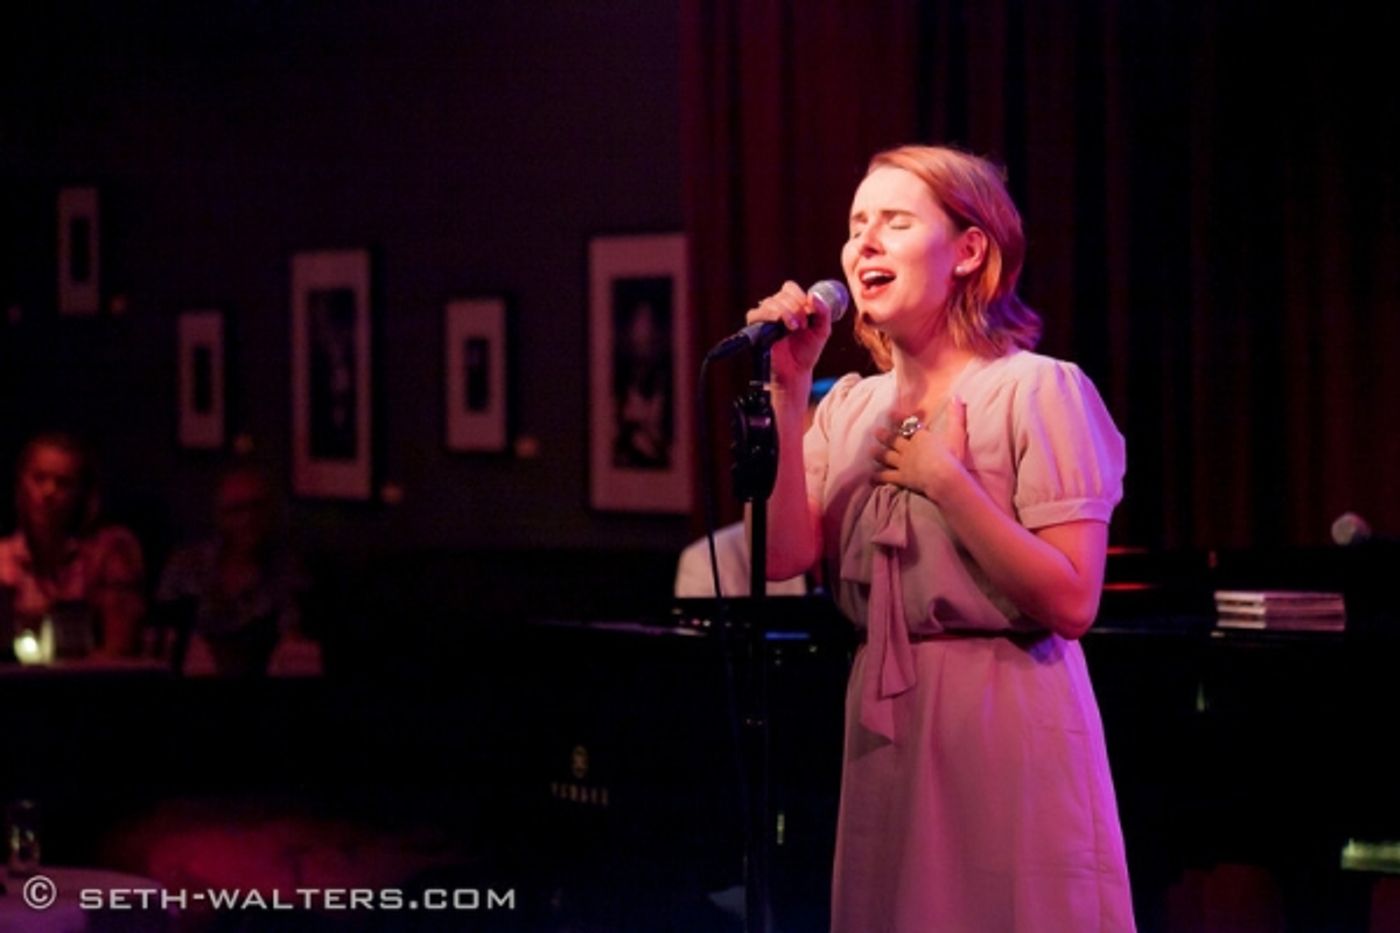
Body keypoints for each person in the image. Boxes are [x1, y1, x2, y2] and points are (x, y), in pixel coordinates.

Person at [746, 144, 1133, 931]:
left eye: (895, 221)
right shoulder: (850, 407)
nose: (865, 242)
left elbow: (1073, 599)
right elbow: (782, 555)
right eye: (857, 224)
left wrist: (948, 483)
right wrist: (790, 387)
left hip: (1002, 715)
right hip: (884, 721)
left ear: (968, 250)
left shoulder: (1036, 389)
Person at [673, 378, 836, 598]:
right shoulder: (714, 561)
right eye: (801, 460)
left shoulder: (868, 550)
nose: (816, 477)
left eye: (829, 462)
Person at [155, 461, 318, 676]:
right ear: (219, 515)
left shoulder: (288, 573)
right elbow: (162, 635)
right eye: (236, 510)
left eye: (256, 507)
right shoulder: (187, 566)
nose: (248, 519)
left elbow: (294, 645)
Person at [0, 431, 146, 658]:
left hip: (91, 676)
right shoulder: (5, 556)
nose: (49, 491)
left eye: (63, 483)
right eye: (39, 479)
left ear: (81, 492)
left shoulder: (107, 553)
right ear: (21, 484)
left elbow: (119, 650)